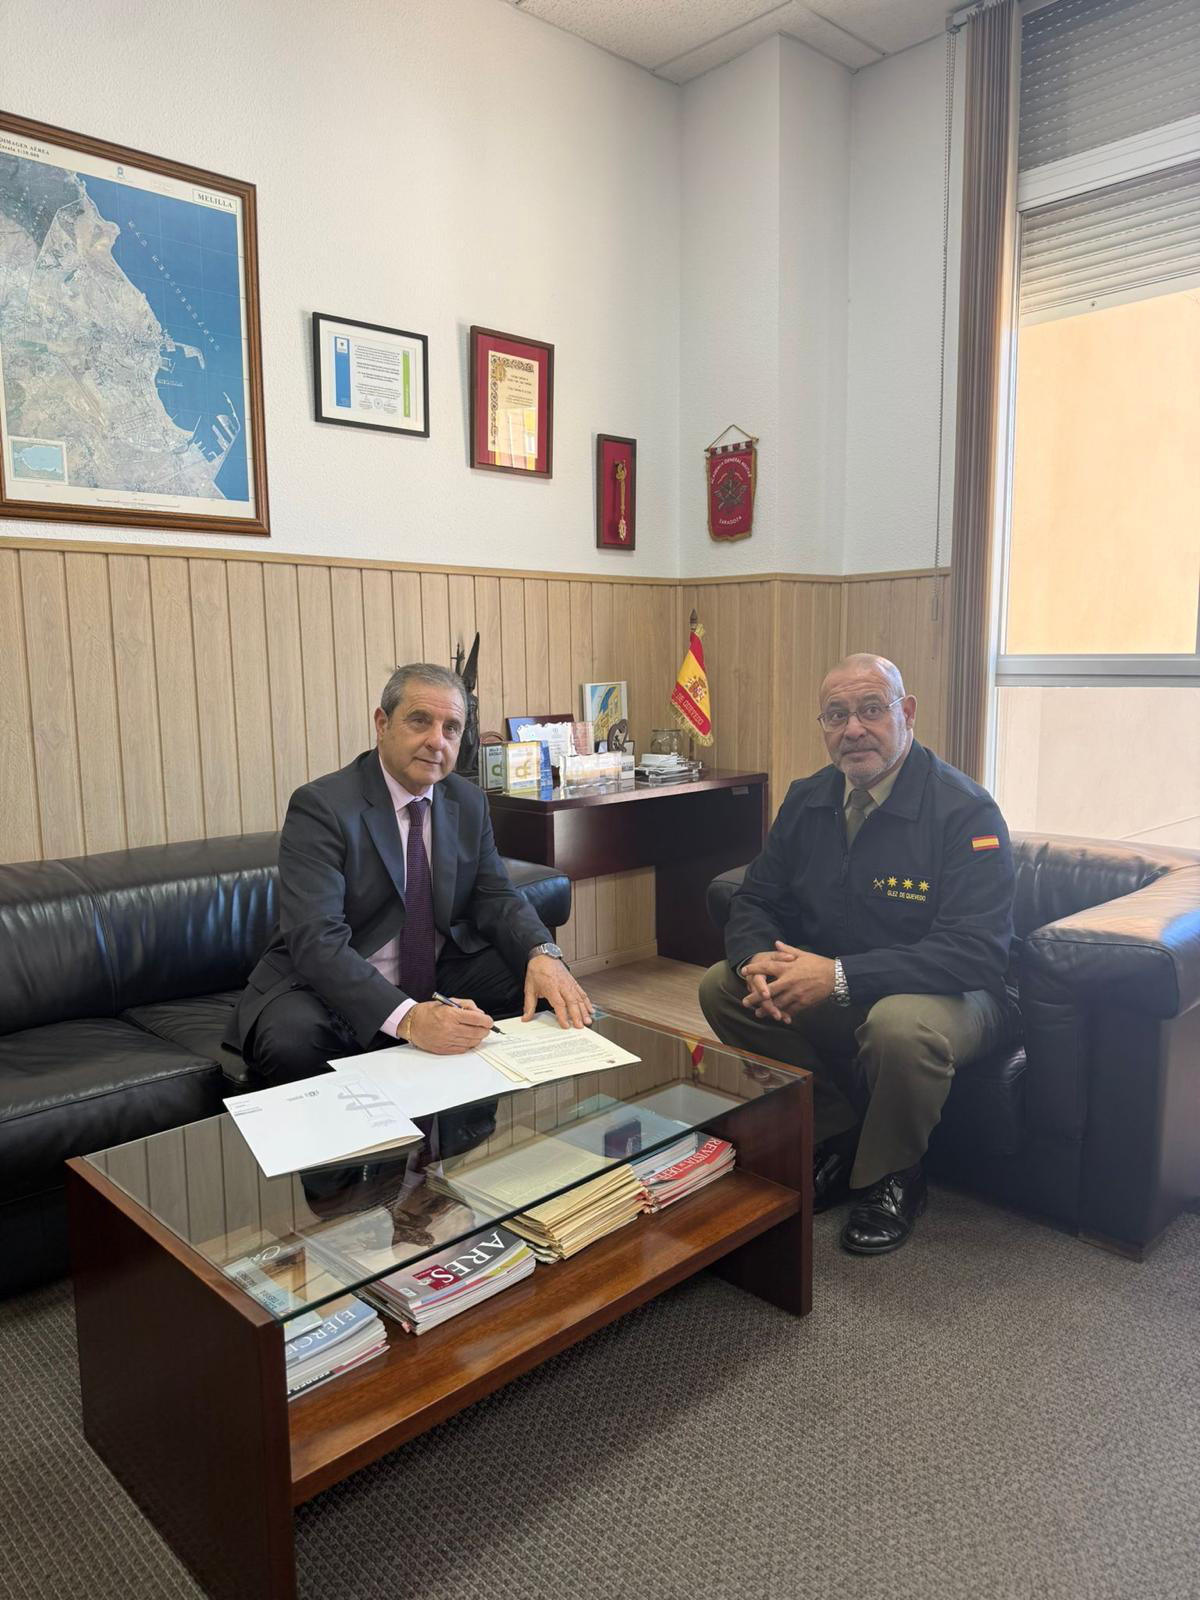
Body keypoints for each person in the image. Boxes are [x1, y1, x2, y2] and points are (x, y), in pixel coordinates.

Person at [699, 654, 1015, 1256]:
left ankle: (894, 1175)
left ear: (907, 713)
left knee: (899, 1025)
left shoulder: (964, 811)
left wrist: (840, 975)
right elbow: (756, 896)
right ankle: (838, 1133)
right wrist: (753, 961)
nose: (853, 729)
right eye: (836, 715)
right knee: (722, 985)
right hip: (850, 984)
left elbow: (975, 951)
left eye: (871, 710)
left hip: (959, 994)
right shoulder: (808, 798)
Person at [225, 662, 593, 1086]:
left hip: (434, 971)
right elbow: (316, 939)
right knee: (291, 1040)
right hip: (328, 981)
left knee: (540, 984)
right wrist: (410, 1019)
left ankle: (480, 1112)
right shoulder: (322, 806)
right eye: (420, 720)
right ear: (382, 724)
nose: (437, 741)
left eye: (451, 728)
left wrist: (541, 952)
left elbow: (496, 895)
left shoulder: (468, 801)